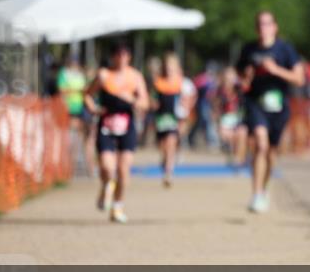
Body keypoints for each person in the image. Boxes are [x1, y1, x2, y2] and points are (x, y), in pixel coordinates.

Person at [236, 11, 305, 213]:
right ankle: (256, 194)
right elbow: (240, 75)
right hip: (255, 102)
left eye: (267, 24)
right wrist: (245, 77)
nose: (263, 28)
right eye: (259, 24)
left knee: (271, 153)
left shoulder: (285, 49)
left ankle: (263, 189)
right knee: (260, 142)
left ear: (275, 27)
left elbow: (299, 79)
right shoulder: (249, 49)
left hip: (279, 106)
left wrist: (275, 70)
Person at [84, 42, 150, 223]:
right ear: (113, 56)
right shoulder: (104, 75)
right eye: (118, 54)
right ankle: (106, 185)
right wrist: (94, 109)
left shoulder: (135, 77)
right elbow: (88, 95)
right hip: (106, 125)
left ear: (129, 57)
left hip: (127, 126)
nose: (121, 58)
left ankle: (117, 206)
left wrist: (135, 102)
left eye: (125, 54)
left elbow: (145, 102)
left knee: (123, 169)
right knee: (107, 167)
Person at [152, 52, 186, 188]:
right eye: (167, 66)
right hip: (161, 117)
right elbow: (153, 99)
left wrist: (184, 113)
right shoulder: (158, 82)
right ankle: (165, 161)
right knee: (163, 145)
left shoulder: (181, 83)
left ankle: (168, 172)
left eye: (172, 66)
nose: (169, 69)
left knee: (171, 142)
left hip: (174, 118)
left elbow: (186, 100)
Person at [58, 54, 94, 175]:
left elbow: (86, 91)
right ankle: (70, 166)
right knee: (73, 138)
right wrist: (78, 91)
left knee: (88, 137)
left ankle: (89, 166)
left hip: (83, 109)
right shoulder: (64, 74)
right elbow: (61, 90)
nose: (75, 64)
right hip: (70, 110)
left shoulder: (80, 74)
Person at [216, 66, 247, 165]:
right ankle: (232, 153)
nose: (230, 79)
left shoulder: (240, 90)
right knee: (228, 136)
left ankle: (239, 159)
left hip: (238, 118)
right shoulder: (219, 91)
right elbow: (215, 108)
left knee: (241, 133)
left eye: (232, 77)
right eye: (228, 77)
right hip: (224, 120)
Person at [189, 61, 220, 149]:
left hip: (208, 104)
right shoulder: (202, 79)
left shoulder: (213, 80)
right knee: (203, 121)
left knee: (204, 122)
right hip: (201, 104)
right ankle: (194, 138)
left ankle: (207, 140)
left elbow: (214, 94)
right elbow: (194, 89)